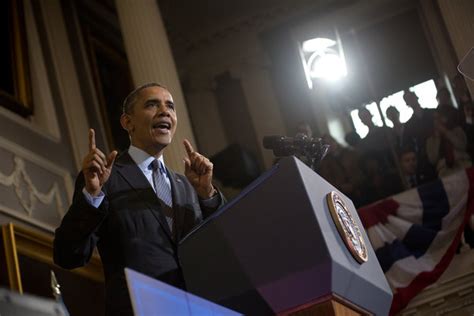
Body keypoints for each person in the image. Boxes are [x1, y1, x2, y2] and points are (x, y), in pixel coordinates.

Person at [53, 83, 226, 315]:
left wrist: (208, 195)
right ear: (128, 122)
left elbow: (224, 248)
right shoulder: (106, 179)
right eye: (152, 105)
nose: (165, 111)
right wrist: (92, 196)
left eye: (170, 107)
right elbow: (67, 255)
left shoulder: (189, 185)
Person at [426, 106, 472, 177]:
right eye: (435, 118)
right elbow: (433, 159)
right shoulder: (430, 140)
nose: (438, 121)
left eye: (440, 117)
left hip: (462, 162)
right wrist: (437, 138)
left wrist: (446, 132)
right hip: (444, 169)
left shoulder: (457, 130)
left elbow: (462, 146)